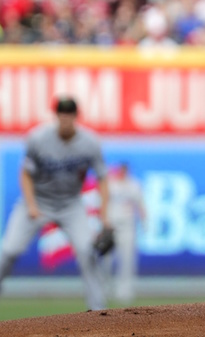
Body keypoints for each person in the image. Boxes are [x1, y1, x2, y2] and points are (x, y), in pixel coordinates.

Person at [0, 96, 110, 311]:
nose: (66, 118)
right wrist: (31, 205)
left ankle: (98, 310)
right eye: (62, 113)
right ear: (56, 115)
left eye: (70, 114)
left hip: (70, 204)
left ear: (76, 116)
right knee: (9, 250)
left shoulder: (90, 142)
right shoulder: (38, 138)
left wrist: (103, 216)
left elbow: (102, 179)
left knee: (87, 251)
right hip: (38, 201)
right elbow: (25, 174)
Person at [103, 162, 146, 305]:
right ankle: (104, 289)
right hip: (110, 225)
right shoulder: (110, 183)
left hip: (127, 225)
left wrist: (144, 221)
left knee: (127, 260)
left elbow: (140, 204)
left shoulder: (133, 185)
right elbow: (101, 201)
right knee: (106, 260)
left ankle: (125, 291)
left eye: (124, 170)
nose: (122, 172)